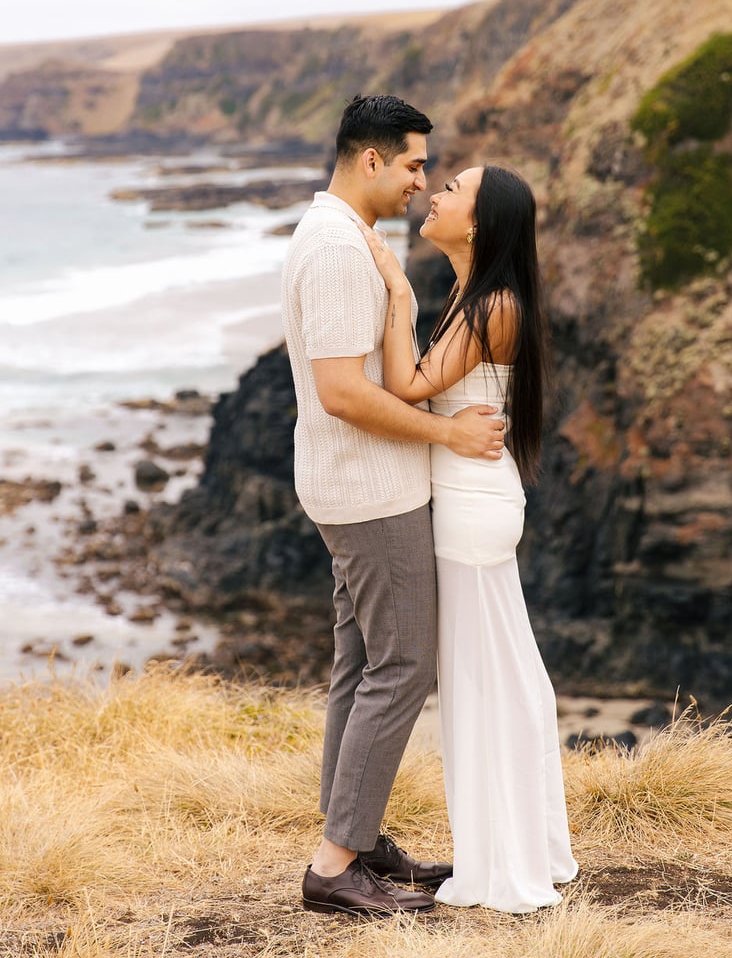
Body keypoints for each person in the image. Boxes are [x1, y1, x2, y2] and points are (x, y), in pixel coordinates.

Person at [280, 95, 506, 917]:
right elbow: (343, 392)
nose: (422, 180)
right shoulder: (340, 250)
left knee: (362, 665)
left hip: (351, 484)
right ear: (370, 159)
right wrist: (445, 439)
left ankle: (358, 839)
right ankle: (336, 866)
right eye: (413, 163)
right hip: (371, 490)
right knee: (404, 664)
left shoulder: (341, 237)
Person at [359, 162, 579, 913]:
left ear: (480, 224)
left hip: (473, 508)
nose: (435, 194)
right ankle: (524, 841)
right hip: (471, 499)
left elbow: (407, 386)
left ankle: (505, 859)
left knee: (484, 682)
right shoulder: (475, 296)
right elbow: (431, 389)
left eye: (452, 188)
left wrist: (393, 292)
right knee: (500, 674)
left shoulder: (494, 306)